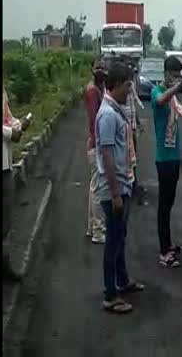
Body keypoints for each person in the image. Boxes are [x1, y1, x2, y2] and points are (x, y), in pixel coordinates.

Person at [95, 62, 145, 314]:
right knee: (113, 242)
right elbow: (107, 155)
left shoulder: (116, 110)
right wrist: (115, 193)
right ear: (115, 85)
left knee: (120, 237)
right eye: (127, 85)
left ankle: (122, 281)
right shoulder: (107, 115)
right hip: (114, 189)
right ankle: (110, 294)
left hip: (123, 185)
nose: (130, 90)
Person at [151, 56, 182, 268]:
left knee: (170, 203)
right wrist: (177, 87)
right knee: (164, 206)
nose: (175, 79)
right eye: (172, 75)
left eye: (178, 75)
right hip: (163, 159)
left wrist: (180, 156)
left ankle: (168, 244)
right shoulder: (157, 92)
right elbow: (160, 101)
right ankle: (164, 251)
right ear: (165, 73)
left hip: (173, 157)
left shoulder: (172, 97)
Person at [3, 87, 29, 282]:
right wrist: (11, 132)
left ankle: (5, 265)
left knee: (5, 221)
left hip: (5, 164)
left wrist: (20, 125)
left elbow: (7, 116)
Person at [84, 57, 107, 244]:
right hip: (96, 144)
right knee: (98, 188)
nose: (100, 70)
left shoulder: (98, 89)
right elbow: (94, 121)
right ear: (92, 69)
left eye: (102, 67)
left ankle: (92, 227)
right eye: (97, 67)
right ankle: (98, 230)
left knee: (94, 187)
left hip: (94, 143)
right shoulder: (93, 91)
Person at [122, 65, 146, 206]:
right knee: (126, 160)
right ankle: (130, 188)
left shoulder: (130, 88)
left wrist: (138, 123)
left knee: (132, 159)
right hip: (124, 131)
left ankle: (133, 186)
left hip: (131, 129)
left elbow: (133, 106)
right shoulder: (119, 92)